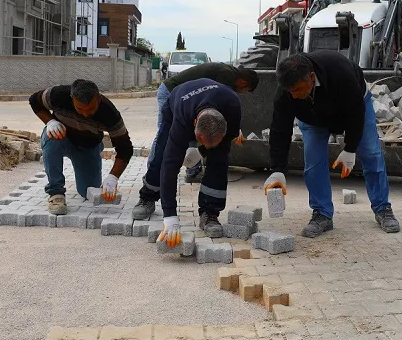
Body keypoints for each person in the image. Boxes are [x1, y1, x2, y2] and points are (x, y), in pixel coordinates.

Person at [263, 52, 400, 237]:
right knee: (313, 162)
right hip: (312, 119)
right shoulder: (286, 93)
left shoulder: (340, 73)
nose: (293, 96)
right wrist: (277, 169)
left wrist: (350, 148)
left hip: (353, 106)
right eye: (290, 92)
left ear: (311, 77)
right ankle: (322, 214)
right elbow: (280, 130)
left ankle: (383, 208)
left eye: (297, 89)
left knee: (371, 153)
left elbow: (355, 112)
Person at [133, 78, 241, 241]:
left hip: (219, 103)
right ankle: (147, 196)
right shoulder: (182, 119)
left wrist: (202, 150)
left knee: (219, 159)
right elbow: (171, 165)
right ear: (196, 131)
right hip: (177, 103)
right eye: (202, 142)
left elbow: (230, 136)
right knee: (162, 154)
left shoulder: (233, 105)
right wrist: (170, 217)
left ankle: (209, 213)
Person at [29, 79, 133, 215]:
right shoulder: (57, 95)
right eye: (80, 109)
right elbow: (34, 100)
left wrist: (113, 177)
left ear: (99, 99)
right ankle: (56, 192)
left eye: (91, 109)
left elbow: (125, 148)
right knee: (51, 136)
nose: (85, 114)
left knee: (87, 191)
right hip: (62, 138)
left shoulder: (110, 114)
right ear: (71, 99)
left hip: (87, 147)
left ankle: (93, 154)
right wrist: (50, 121)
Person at [150, 63, 258, 181]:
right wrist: (234, 129)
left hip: (184, 94)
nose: (241, 93)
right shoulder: (227, 76)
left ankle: (193, 171)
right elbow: (219, 106)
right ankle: (153, 171)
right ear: (243, 83)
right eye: (245, 91)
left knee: (194, 127)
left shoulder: (229, 72)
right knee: (164, 133)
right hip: (170, 91)